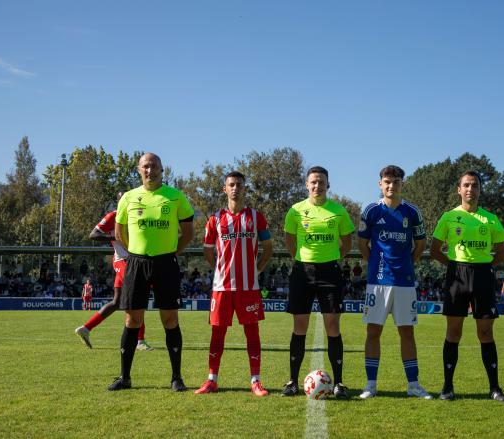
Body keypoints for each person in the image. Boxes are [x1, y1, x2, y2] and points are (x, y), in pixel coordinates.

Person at [107, 152, 194, 392]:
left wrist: (172, 252)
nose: (150, 170)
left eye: (154, 166)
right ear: (138, 170)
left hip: (166, 263)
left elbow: (188, 233)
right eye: (145, 166)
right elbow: (119, 232)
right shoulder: (128, 198)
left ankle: (177, 378)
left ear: (162, 170)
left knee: (170, 320)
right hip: (136, 264)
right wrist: (135, 253)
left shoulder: (175, 197)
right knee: (132, 319)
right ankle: (125, 378)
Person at [430, 170, 504, 402]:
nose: (470, 189)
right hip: (457, 276)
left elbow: (501, 253)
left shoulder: (491, 219)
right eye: (466, 185)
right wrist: (454, 266)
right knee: (453, 332)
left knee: (485, 332)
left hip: (483, 275)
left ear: (480, 189)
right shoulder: (448, 217)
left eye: (474, 185)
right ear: (459, 189)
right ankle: (447, 387)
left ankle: (494, 388)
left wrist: (484, 267)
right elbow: (435, 250)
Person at [194, 171, 274, 397]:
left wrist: (256, 270)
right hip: (222, 288)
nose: (235, 188)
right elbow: (208, 251)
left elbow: (267, 248)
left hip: (249, 288)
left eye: (239, 184)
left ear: (244, 189)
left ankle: (256, 381)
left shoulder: (256, 217)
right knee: (217, 334)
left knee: (252, 334)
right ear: (224, 189)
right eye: (231, 184)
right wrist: (219, 269)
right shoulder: (215, 219)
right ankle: (212, 380)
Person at [357, 165, 432, 399]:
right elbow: (362, 244)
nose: (391, 185)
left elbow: (420, 244)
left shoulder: (412, 213)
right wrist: (375, 265)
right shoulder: (370, 211)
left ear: (402, 184)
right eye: (387, 181)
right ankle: (371, 384)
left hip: (404, 282)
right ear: (380, 184)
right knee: (373, 332)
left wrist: (407, 264)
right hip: (377, 282)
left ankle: (413, 385)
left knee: (407, 333)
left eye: (396, 181)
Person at [281, 166, 355, 399]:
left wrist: (328, 258)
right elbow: (290, 242)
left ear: (328, 184)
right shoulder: (295, 211)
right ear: (306, 185)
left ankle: (340, 383)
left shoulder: (338, 211)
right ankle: (292, 381)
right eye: (313, 182)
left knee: (333, 326)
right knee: (299, 327)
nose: (317, 185)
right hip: (302, 271)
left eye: (321, 182)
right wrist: (305, 260)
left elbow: (347, 243)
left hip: (330, 272)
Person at [74, 194, 153, 351]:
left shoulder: (139, 214)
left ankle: (86, 328)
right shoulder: (113, 216)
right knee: (138, 296)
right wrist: (114, 236)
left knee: (116, 302)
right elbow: (93, 235)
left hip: (134, 260)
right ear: (119, 201)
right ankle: (140, 340)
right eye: (124, 199)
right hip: (123, 261)